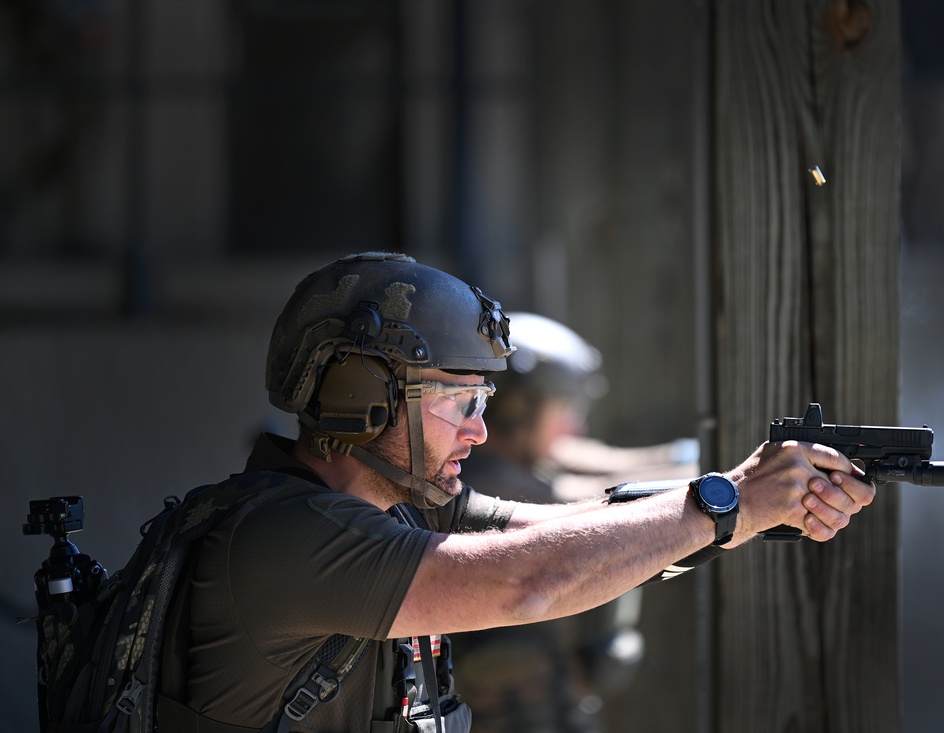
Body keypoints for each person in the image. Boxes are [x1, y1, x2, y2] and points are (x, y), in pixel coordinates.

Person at [157, 251, 875, 733]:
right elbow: (530, 579)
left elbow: (576, 530)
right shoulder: (286, 539)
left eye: (485, 401)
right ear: (360, 397)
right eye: (458, 402)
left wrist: (748, 504)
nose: (479, 430)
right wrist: (731, 503)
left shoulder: (399, 506)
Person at [451, 312, 694, 733]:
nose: (575, 425)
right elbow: (592, 493)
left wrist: (690, 461)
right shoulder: (481, 481)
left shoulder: (497, 462)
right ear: (514, 411)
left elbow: (583, 457)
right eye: (564, 408)